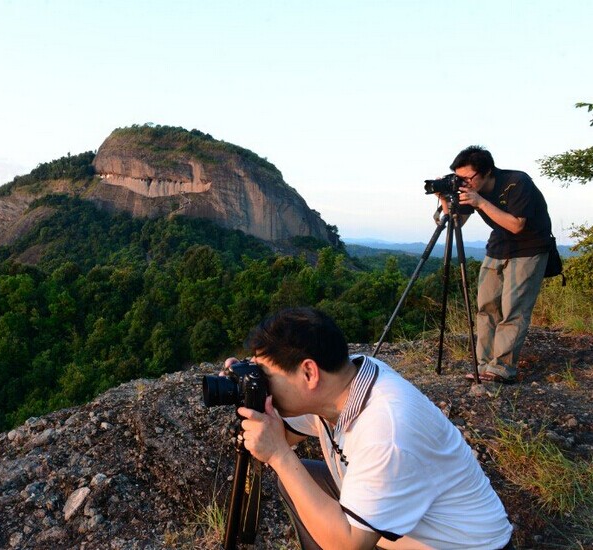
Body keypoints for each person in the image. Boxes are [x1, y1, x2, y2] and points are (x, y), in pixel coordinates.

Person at [231, 307, 513, 549]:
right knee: (300, 479)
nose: (264, 383)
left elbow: (349, 545)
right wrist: (249, 393)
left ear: (309, 372)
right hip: (403, 529)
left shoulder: (386, 429)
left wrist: (279, 456)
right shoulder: (346, 381)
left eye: (266, 376)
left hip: (464, 545)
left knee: (293, 474)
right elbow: (281, 434)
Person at [438, 145, 553, 384]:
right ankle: (483, 365)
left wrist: (479, 201)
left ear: (487, 171)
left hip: (529, 248)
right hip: (498, 246)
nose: (464, 182)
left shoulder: (517, 182)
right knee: (486, 308)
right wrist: (445, 199)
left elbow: (516, 225)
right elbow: (456, 223)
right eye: (459, 178)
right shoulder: (471, 189)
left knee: (514, 310)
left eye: (468, 177)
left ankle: (502, 368)